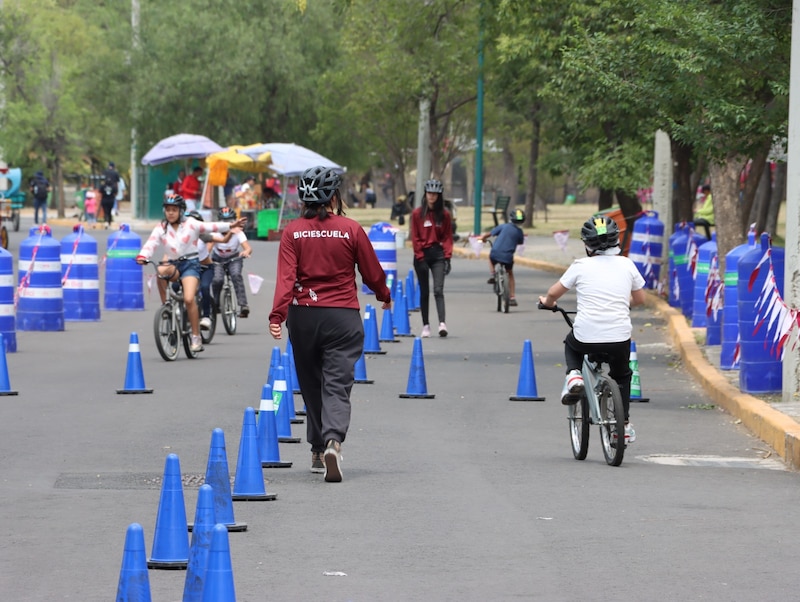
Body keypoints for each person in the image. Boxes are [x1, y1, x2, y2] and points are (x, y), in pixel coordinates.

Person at [268, 166, 391, 483]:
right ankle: (333, 441)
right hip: (342, 318)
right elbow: (372, 272)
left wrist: (277, 315)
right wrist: (384, 295)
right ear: (334, 196)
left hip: (304, 317)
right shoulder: (350, 229)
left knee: (311, 386)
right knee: (335, 385)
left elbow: (285, 279)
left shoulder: (293, 232)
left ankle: (317, 449)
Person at [538, 215, 646, 444]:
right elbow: (640, 298)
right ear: (617, 240)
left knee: (572, 344)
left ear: (587, 245)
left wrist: (547, 303)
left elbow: (553, 293)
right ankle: (623, 426)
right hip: (619, 336)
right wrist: (620, 301)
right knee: (622, 375)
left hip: (587, 333)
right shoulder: (627, 264)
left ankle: (574, 375)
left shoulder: (581, 266)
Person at [136, 194, 247, 353]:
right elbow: (151, 243)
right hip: (173, 264)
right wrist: (143, 256)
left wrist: (230, 226)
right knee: (160, 271)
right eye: (168, 210)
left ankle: (196, 336)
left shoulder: (192, 224)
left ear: (181, 211)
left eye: (174, 210)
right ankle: (166, 307)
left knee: (189, 299)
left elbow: (212, 227)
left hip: (190, 264)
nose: (171, 213)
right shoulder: (161, 227)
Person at [410, 178, 453, 337]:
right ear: (425, 194)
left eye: (435, 194)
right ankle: (426, 325)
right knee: (424, 291)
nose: (432, 196)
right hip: (422, 254)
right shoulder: (417, 214)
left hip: (438, 254)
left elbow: (448, 236)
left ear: (439, 196)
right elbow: (414, 236)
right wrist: (419, 255)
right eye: (429, 193)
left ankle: (442, 323)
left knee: (438, 290)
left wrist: (447, 256)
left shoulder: (445, 215)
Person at [186, 209, 231, 332]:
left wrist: (231, 231)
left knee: (205, 288)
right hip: (188, 269)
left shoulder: (204, 236)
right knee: (175, 286)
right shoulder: (181, 237)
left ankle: (206, 317)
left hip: (205, 268)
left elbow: (223, 240)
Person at [211, 206, 253, 318]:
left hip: (234, 259)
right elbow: (208, 249)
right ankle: (215, 304)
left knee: (236, 275)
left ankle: (243, 305)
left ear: (235, 221)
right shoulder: (215, 233)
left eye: (229, 221)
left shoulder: (238, 232)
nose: (226, 224)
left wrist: (246, 252)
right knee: (217, 279)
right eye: (223, 221)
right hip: (217, 259)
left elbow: (248, 247)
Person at [480, 207, 526, 306]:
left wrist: (483, 238)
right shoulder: (519, 232)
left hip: (495, 253)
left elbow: (489, 234)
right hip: (508, 257)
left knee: (490, 258)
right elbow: (520, 242)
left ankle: (492, 274)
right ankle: (512, 297)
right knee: (510, 274)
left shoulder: (503, 226)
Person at [100, 162, 120, 229]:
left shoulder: (104, 172)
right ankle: (109, 222)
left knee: (105, 211)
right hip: (111, 198)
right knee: (109, 211)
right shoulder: (115, 173)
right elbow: (117, 183)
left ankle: (106, 221)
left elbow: (100, 190)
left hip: (104, 199)